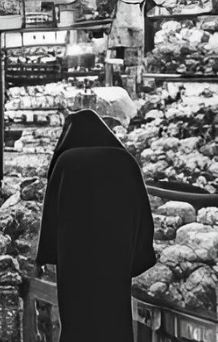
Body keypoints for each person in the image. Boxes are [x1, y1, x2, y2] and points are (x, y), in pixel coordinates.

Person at [36, 110, 156, 342]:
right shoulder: (126, 162)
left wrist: (49, 255)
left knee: (77, 320)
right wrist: (136, 255)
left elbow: (51, 215)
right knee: (113, 317)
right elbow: (142, 213)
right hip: (115, 260)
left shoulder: (65, 163)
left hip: (75, 263)